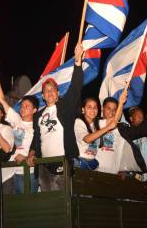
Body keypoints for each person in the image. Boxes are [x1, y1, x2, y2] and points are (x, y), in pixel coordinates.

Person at [27, 43, 84, 192]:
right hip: (44, 165)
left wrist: (78, 62)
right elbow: (36, 138)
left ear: (58, 94)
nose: (50, 92)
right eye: (46, 90)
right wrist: (32, 153)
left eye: (53, 89)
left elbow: (75, 88)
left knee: (63, 205)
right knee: (49, 204)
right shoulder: (38, 115)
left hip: (62, 162)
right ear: (43, 96)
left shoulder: (65, 107)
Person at [0, 65, 39, 194]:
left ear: (35, 110)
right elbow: (1, 99)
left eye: (27, 106)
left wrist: (28, 157)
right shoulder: (17, 120)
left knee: (28, 207)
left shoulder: (37, 126)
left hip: (29, 173)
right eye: (22, 106)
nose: (22, 108)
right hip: (13, 171)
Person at [96, 97, 147, 176]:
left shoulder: (121, 129)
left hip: (113, 174)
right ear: (102, 109)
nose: (111, 112)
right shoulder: (94, 124)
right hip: (94, 170)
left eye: (114, 110)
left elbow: (140, 131)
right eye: (108, 108)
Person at [73, 96, 120, 171]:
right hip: (80, 163)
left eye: (95, 107)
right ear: (83, 109)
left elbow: (114, 120)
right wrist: (107, 128)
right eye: (89, 107)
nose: (93, 110)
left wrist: (121, 104)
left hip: (91, 164)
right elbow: (87, 139)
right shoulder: (79, 122)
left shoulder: (97, 123)